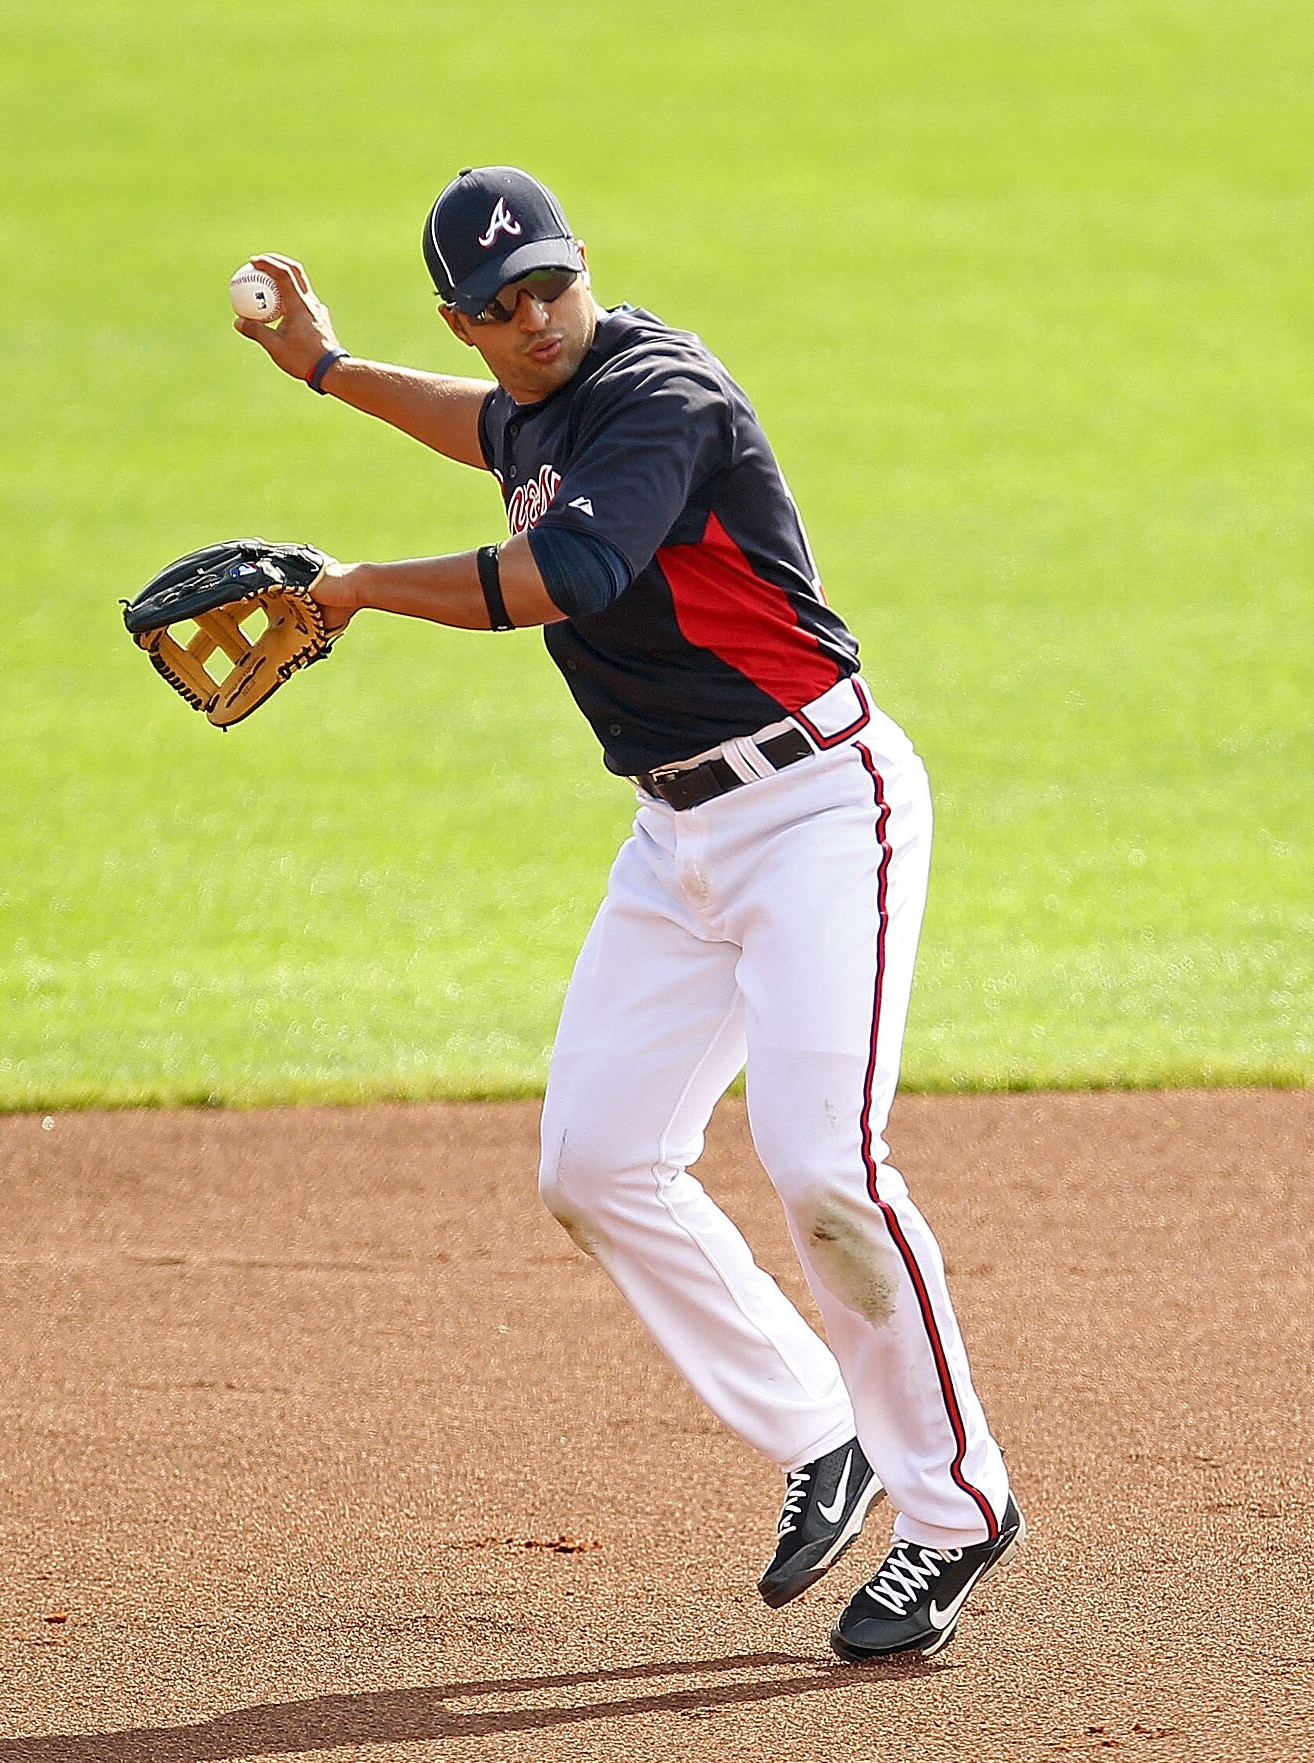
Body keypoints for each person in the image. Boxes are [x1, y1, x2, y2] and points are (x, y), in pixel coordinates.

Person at [232, 167, 1020, 1660]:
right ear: (464, 320)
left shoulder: (659, 391)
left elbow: (569, 568)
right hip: (677, 839)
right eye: (500, 307)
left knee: (823, 1167)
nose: (537, 321)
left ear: (583, 264)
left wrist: (350, 590)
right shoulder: (529, 395)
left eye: (551, 285)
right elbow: (493, 432)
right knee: (597, 1160)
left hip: (817, 812)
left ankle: (956, 1508)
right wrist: (326, 371)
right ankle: (818, 1429)